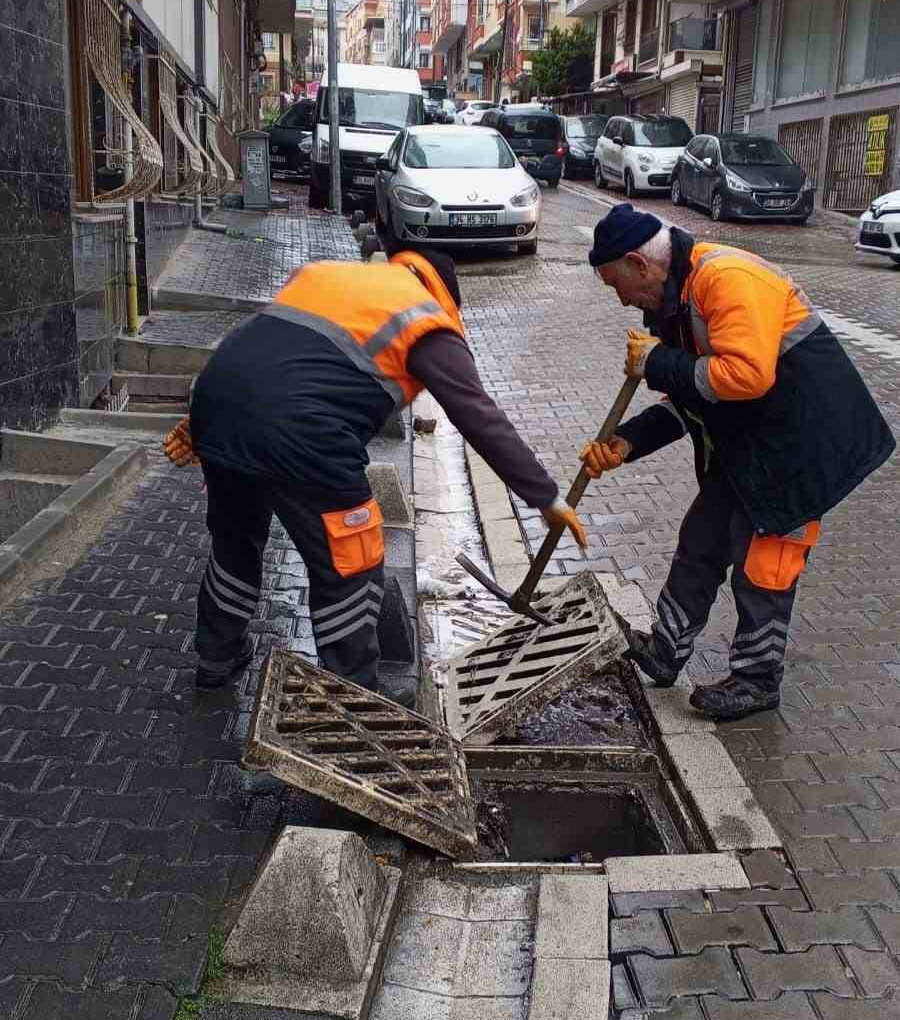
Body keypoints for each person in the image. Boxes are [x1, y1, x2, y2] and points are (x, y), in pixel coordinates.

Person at [165, 247, 585, 690]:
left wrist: (208, 421)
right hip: (303, 434)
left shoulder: (330, 276)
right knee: (351, 561)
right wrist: (545, 496)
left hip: (216, 401)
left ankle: (216, 658)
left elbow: (269, 357)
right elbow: (478, 414)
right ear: (445, 296)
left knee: (235, 542)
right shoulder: (424, 318)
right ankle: (351, 691)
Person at [581, 204, 895, 721]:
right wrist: (627, 442)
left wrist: (657, 360)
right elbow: (696, 394)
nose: (622, 300)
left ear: (640, 263)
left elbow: (746, 376)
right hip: (753, 445)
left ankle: (756, 679)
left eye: (619, 285)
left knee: (764, 567)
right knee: (700, 542)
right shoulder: (677, 301)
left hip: (802, 450)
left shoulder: (726, 278)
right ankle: (665, 650)